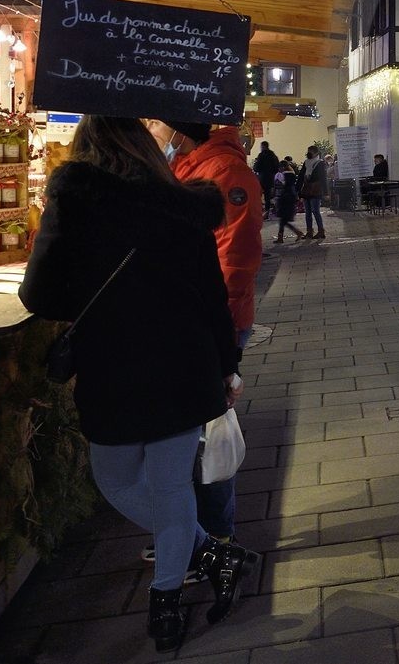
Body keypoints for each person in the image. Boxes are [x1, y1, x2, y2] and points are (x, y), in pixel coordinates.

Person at [19, 116, 247, 651]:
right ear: (148, 148)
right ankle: (206, 558)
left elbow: (42, 297)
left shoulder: (75, 203)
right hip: (183, 366)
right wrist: (226, 364)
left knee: (118, 479)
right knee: (169, 488)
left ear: (86, 148)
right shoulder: (187, 207)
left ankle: (168, 596)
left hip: (113, 366)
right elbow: (213, 295)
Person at [145, 119, 265, 564]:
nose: (151, 129)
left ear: (181, 127)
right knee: (184, 432)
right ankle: (188, 533)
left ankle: (217, 538)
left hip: (213, 322)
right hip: (183, 319)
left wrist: (225, 344)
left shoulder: (226, 174)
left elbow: (236, 262)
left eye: (156, 122)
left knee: (210, 432)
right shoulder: (188, 167)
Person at [298, 145, 328, 239]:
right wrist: (298, 190)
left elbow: (323, 178)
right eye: (308, 151)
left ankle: (321, 231)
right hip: (307, 189)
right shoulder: (306, 162)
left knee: (315, 211)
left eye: (310, 152)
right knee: (307, 212)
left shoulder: (320, 163)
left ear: (316, 153)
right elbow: (301, 176)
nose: (308, 153)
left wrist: (326, 192)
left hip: (316, 189)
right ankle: (309, 231)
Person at [272, 165, 305, 243]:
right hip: (287, 207)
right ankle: (295, 233)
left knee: (283, 222)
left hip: (285, 207)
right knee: (283, 222)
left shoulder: (288, 187)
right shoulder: (291, 187)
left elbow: (285, 197)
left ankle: (294, 233)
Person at [252, 140, 279, 216]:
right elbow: (277, 167)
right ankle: (267, 212)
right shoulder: (273, 155)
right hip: (270, 178)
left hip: (262, 178)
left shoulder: (261, 155)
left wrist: (256, 167)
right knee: (267, 196)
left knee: (258, 195)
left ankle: (258, 211)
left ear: (263, 146)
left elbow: (256, 167)